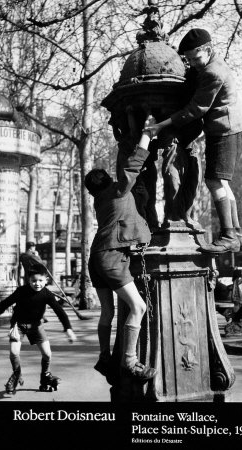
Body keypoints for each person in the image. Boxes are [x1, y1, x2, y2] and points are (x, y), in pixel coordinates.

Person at [144, 28, 242, 254]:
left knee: (214, 182)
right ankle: (236, 233)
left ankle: (229, 235)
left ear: (208, 50)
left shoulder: (213, 72)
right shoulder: (209, 66)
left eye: (195, 58)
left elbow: (197, 109)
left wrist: (162, 124)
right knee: (222, 183)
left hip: (224, 131)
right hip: (226, 129)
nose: (192, 63)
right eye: (188, 60)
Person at [85, 115, 157, 382]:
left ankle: (105, 356)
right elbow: (134, 164)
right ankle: (130, 363)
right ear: (109, 182)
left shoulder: (100, 201)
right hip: (112, 256)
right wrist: (147, 133)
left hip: (96, 258)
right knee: (138, 308)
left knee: (107, 311)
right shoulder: (118, 192)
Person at [0, 265, 77, 394]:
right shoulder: (21, 291)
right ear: (28, 280)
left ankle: (45, 376)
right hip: (18, 325)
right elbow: (5, 303)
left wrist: (68, 329)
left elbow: (59, 311)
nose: (37, 284)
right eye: (33, 281)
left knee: (47, 354)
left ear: (46, 280)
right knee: (14, 352)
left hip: (36, 326)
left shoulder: (47, 294)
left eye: (40, 281)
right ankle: (16, 375)